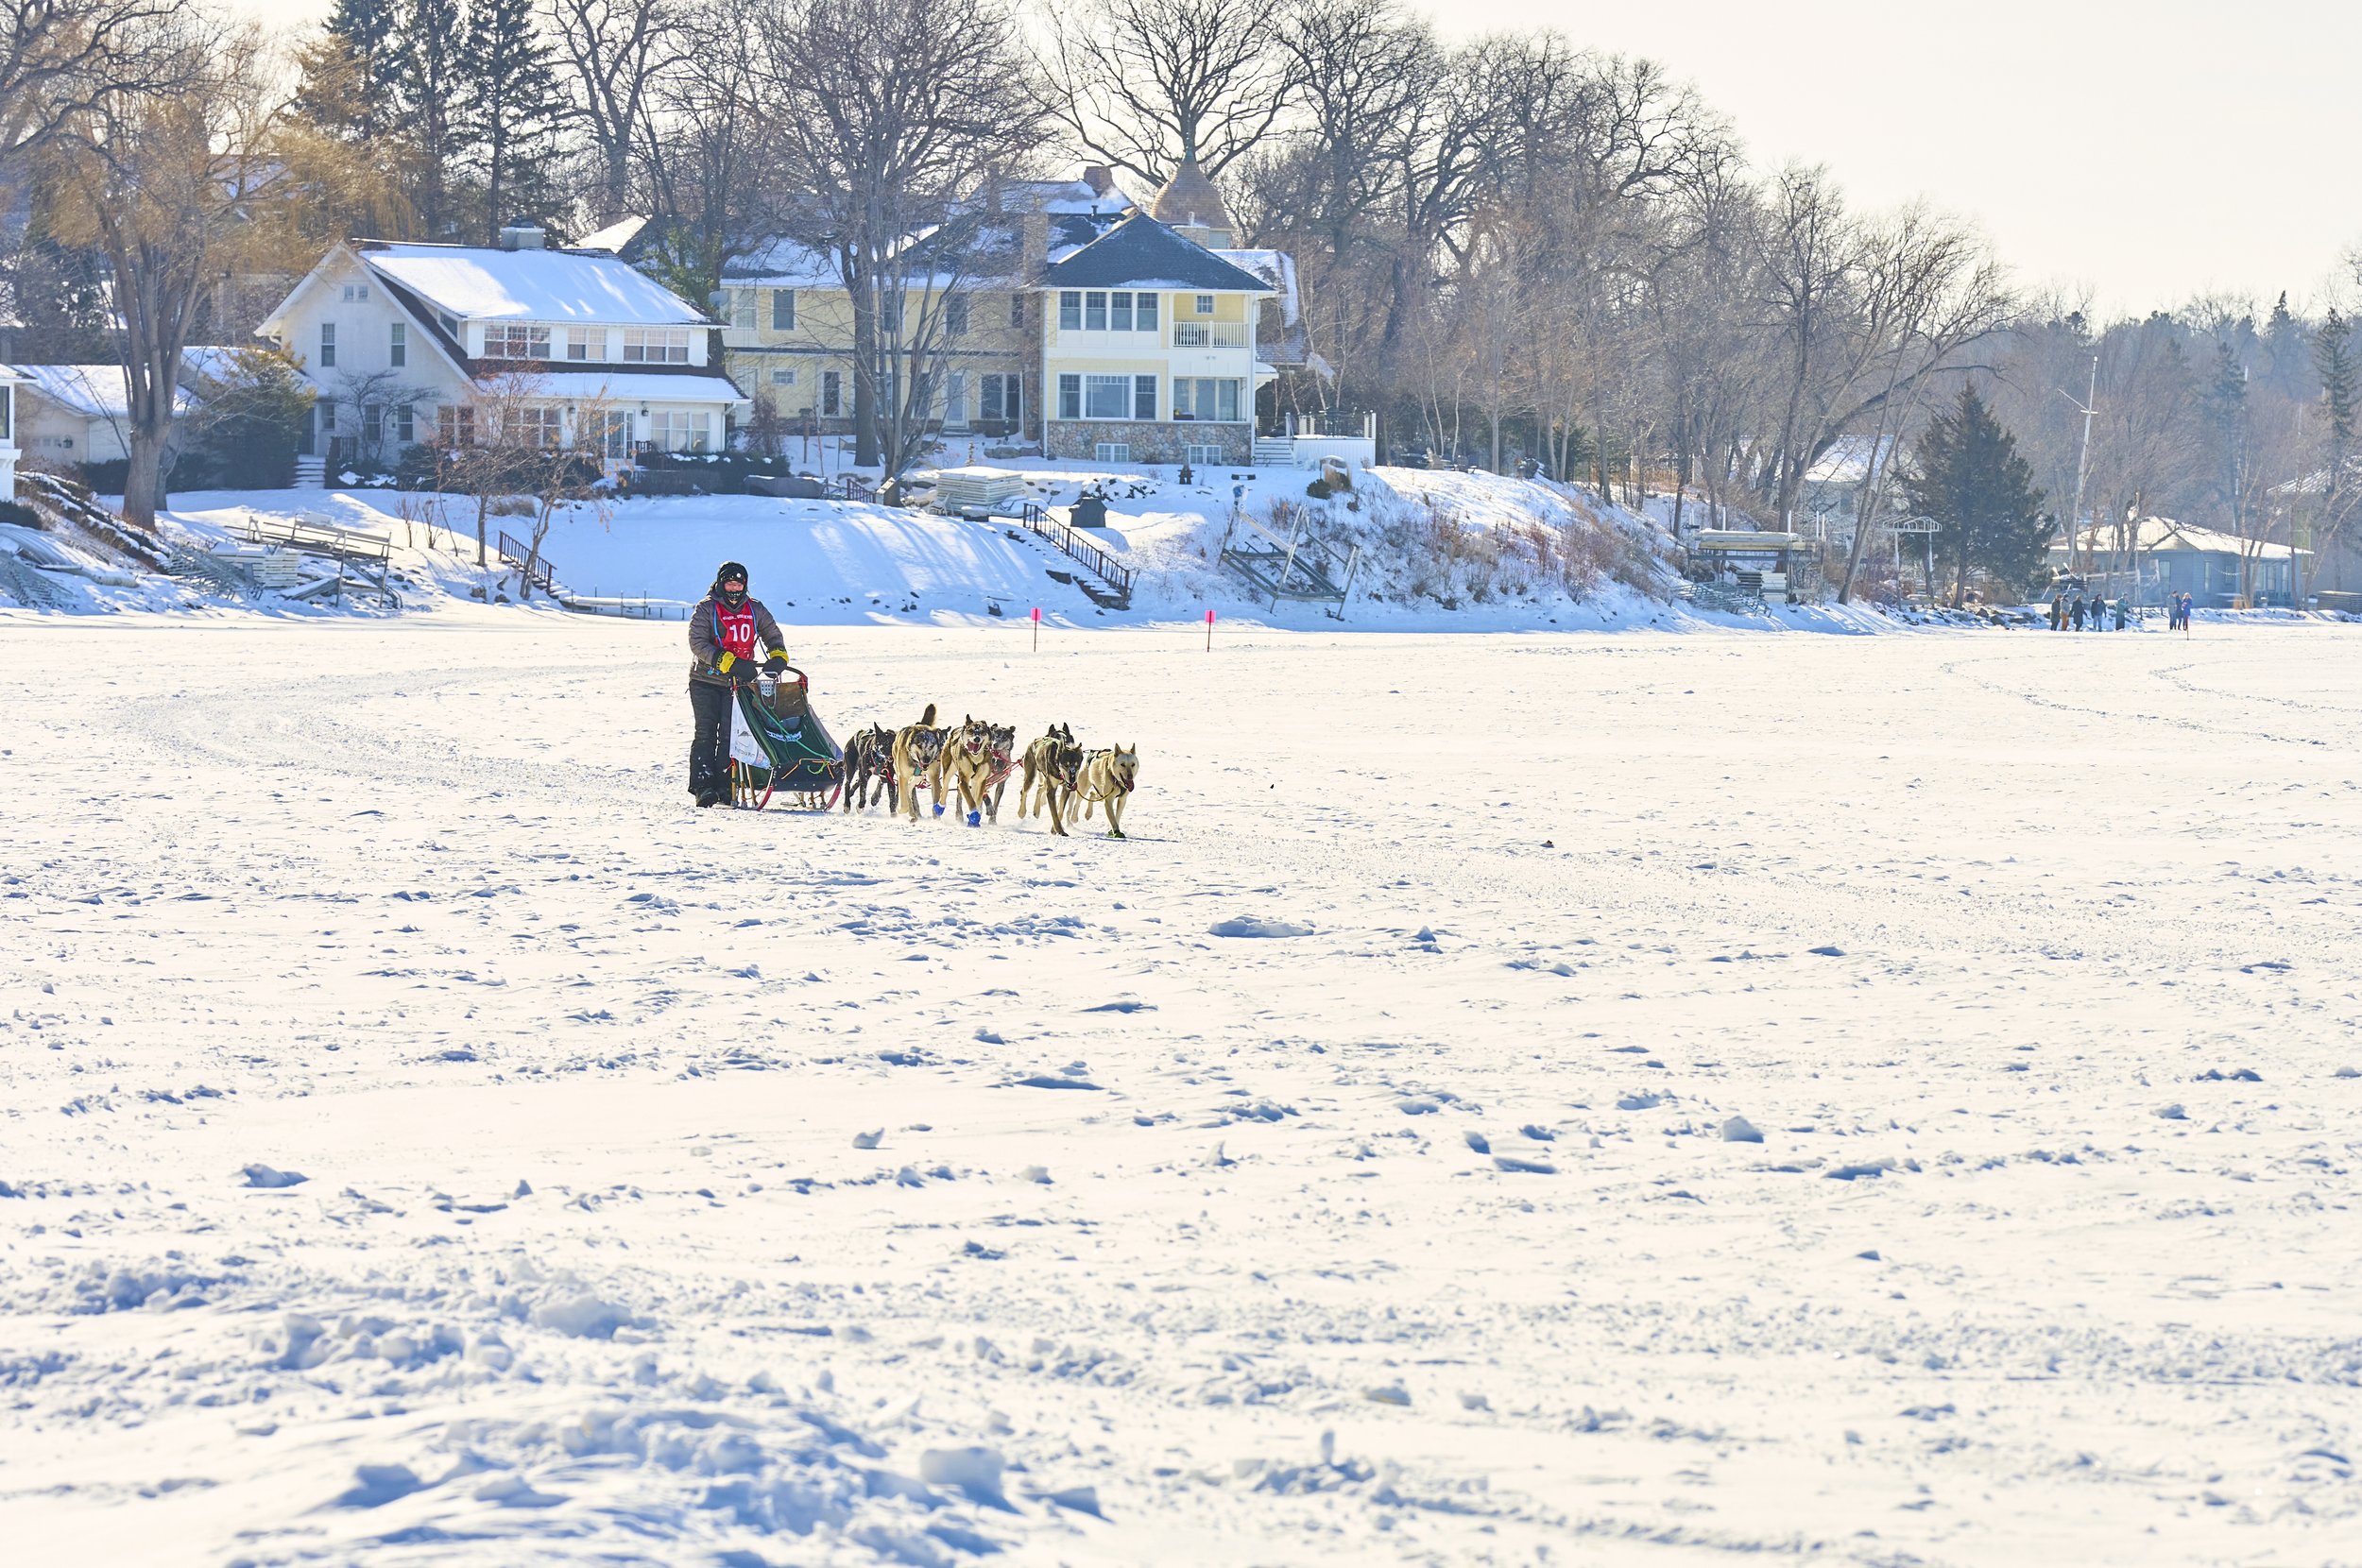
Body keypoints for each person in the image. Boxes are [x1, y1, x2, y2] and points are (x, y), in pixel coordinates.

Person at [685, 560, 789, 808]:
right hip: (705, 680)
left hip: (739, 683)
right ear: (722, 584)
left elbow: (772, 635)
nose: (734, 588)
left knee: (732, 737)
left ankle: (725, 787)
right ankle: (703, 786)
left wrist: (778, 657)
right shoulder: (706, 608)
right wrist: (728, 661)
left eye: (738, 584)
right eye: (729, 583)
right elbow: (697, 643)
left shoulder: (756, 609)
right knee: (706, 732)